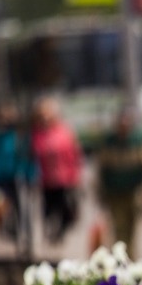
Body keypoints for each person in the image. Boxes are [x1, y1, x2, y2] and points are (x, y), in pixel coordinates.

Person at [94, 107, 142, 259]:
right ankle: (120, 258)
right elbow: (100, 168)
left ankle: (132, 258)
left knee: (132, 230)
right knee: (119, 229)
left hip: (134, 192)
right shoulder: (109, 143)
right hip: (115, 193)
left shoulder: (138, 141)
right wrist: (99, 191)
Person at [29, 97, 84, 244]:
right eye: (42, 116)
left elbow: (75, 154)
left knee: (66, 210)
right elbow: (33, 155)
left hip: (64, 178)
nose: (45, 119)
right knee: (48, 209)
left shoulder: (64, 131)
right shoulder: (36, 134)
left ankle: (60, 231)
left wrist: (76, 175)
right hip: (46, 180)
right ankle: (52, 232)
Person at [0, 102, 37, 238]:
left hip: (16, 174)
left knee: (19, 204)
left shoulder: (18, 135)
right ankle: (6, 228)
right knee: (2, 204)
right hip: (0, 174)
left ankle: (21, 228)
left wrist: (30, 173)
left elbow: (27, 154)